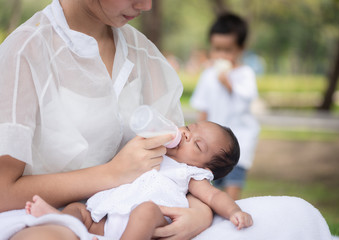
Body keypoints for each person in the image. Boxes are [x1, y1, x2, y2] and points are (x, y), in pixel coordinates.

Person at [0, 0, 214, 239]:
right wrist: (112, 174)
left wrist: (200, 211)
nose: (146, 5)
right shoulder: (25, 52)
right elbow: (3, 192)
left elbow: (184, 159)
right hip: (38, 216)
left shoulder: (143, 53)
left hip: (127, 216)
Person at [24, 121, 253, 239]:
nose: (186, 134)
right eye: (190, 129)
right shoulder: (156, 147)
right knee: (78, 209)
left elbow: (213, 195)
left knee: (146, 211)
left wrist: (233, 211)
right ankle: (63, 221)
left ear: (204, 168)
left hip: (146, 224)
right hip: (106, 217)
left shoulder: (191, 173)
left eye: (197, 144)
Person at [190, 13, 260, 200]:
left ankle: (232, 215)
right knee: (209, 187)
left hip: (241, 142)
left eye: (227, 50)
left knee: (232, 186)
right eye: (216, 49)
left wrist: (229, 84)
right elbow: (202, 108)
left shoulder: (245, 74)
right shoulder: (208, 75)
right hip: (213, 143)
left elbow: (246, 100)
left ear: (240, 50)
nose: (221, 55)